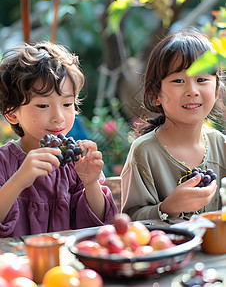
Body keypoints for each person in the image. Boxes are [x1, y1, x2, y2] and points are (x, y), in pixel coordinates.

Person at [0, 41, 118, 238]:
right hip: (17, 263)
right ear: (12, 114)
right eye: (43, 106)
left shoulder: (73, 161)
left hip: (67, 265)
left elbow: (98, 223)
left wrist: (90, 184)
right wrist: (19, 180)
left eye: (67, 103)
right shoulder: (4, 162)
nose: (59, 117)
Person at [121, 29, 226, 221]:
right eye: (178, 80)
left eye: (201, 79)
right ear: (155, 95)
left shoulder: (222, 145)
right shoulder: (144, 152)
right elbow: (130, 219)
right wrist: (170, 207)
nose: (192, 91)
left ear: (217, 90)